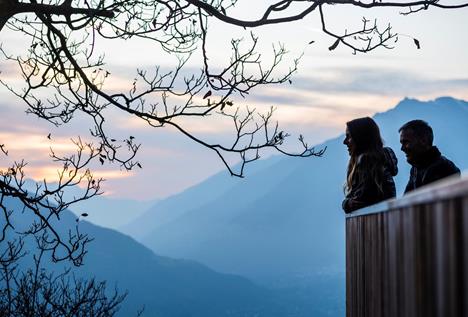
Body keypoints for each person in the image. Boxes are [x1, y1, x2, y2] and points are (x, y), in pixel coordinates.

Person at [342, 117, 398, 213]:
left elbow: (360, 199)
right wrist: (347, 203)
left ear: (360, 138)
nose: (345, 142)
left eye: (349, 136)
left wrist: (347, 203)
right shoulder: (364, 166)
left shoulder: (370, 168)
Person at [399, 120, 460, 193]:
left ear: (423, 141)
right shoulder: (416, 168)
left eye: (406, 142)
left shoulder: (441, 168)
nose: (402, 148)